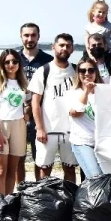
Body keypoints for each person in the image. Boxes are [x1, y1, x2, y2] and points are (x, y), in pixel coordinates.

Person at [28, 34, 78, 183]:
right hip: (48, 129)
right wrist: (39, 128)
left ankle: (69, 199)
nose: (64, 48)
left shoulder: (76, 70)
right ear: (53, 47)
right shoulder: (44, 71)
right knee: (45, 168)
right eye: (61, 45)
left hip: (71, 130)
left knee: (69, 168)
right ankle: (44, 201)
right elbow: (35, 102)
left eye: (68, 46)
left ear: (72, 49)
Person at [0, 49, 29, 196]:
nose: (11, 65)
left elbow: (27, 103)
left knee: (13, 169)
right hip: (0, 125)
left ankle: (8, 202)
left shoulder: (23, 82)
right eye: (7, 62)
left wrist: (27, 113)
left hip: (18, 124)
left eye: (14, 61)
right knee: (0, 170)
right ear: (2, 64)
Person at [14, 22, 52, 179]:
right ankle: (21, 190)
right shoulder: (13, 58)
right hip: (17, 114)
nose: (30, 38)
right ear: (21, 36)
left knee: (40, 158)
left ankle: (38, 192)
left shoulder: (48, 60)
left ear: (38, 36)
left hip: (40, 115)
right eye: (26, 35)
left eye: (33, 35)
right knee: (18, 157)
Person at [66, 58, 104, 180]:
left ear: (96, 72)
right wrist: (86, 92)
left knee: (106, 178)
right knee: (95, 176)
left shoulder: (104, 91)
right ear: (78, 73)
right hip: (82, 142)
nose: (87, 73)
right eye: (83, 71)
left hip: (101, 143)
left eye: (91, 70)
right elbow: (76, 113)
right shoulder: (72, 92)